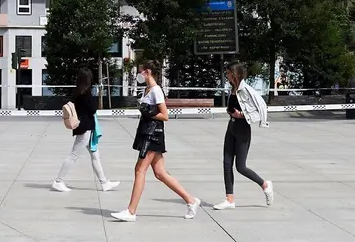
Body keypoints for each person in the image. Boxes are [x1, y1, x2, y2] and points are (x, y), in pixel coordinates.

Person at [111, 60, 200, 222]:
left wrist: (149, 112)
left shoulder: (156, 90)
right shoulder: (147, 89)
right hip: (147, 132)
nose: (139, 74)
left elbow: (165, 116)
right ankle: (191, 200)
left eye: (141, 71)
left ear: (148, 72)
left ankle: (131, 211)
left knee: (140, 170)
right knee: (160, 173)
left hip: (152, 135)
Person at [213, 62, 273, 210]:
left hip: (242, 129)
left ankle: (265, 184)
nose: (226, 75)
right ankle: (229, 199)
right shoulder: (233, 89)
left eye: (228, 73)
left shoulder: (246, 90)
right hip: (231, 127)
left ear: (235, 74)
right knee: (227, 164)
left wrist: (242, 115)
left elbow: (261, 108)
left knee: (241, 167)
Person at [52, 68, 120, 193]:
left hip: (83, 127)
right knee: (74, 155)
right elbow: (93, 109)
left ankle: (104, 183)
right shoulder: (86, 93)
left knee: (95, 155)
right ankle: (58, 181)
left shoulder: (77, 91)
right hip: (85, 128)